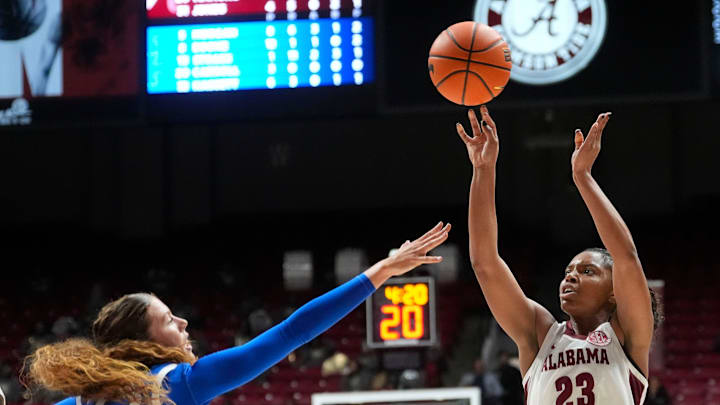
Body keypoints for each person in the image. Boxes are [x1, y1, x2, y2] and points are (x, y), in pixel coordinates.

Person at [23, 222, 451, 405]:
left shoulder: (76, 400)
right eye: (170, 319)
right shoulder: (180, 385)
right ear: (147, 341)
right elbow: (291, 332)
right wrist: (379, 273)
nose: (184, 323)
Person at [456, 106, 660, 405]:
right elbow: (485, 264)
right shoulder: (540, 333)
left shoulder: (626, 333)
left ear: (615, 292)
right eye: (568, 271)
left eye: (587, 271)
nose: (571, 276)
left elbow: (626, 256)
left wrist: (583, 177)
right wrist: (483, 170)